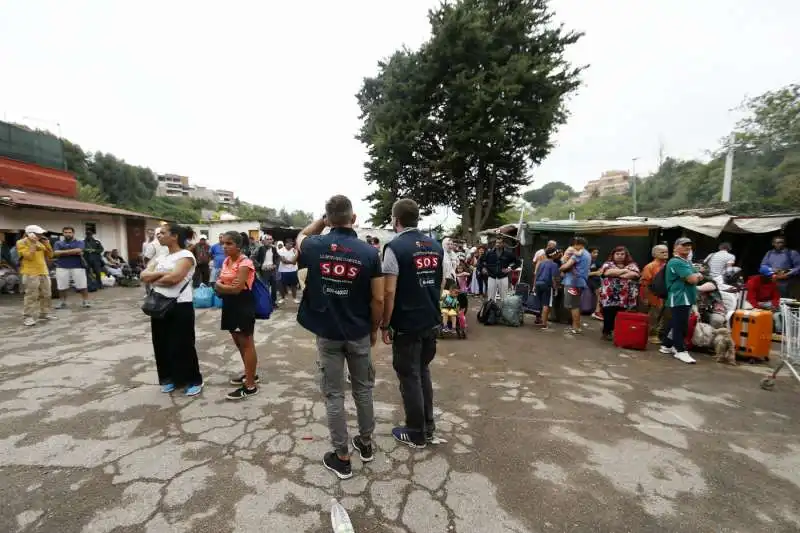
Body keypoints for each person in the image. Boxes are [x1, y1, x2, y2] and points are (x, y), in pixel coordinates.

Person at [296, 195, 383, 480]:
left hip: (328, 332)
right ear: (354, 218)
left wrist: (322, 221)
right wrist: (374, 329)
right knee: (363, 390)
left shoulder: (314, 246)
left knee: (333, 393)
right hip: (358, 331)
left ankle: (342, 456)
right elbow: (379, 298)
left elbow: (302, 235)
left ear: (328, 219)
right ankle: (366, 444)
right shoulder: (369, 253)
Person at [382, 198, 443, 449]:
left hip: (407, 323)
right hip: (430, 320)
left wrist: (385, 324)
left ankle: (416, 432)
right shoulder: (436, 246)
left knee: (409, 376)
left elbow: (389, 292)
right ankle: (427, 426)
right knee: (423, 372)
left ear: (396, 220)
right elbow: (439, 284)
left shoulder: (395, 248)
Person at [140, 223, 203, 396]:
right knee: (161, 343)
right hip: (158, 304)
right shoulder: (161, 257)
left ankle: (193, 380)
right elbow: (143, 275)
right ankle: (169, 378)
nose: (159, 236)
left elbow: (174, 278)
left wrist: (155, 278)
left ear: (174, 236)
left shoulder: (186, 255)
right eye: (158, 233)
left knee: (183, 344)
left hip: (180, 305)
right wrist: (162, 276)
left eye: (163, 233)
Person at [215, 231, 260, 400]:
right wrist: (223, 285)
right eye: (223, 243)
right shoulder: (227, 261)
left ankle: (250, 385)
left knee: (246, 342)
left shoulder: (245, 263)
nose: (224, 247)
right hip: (230, 304)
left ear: (238, 246)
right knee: (237, 341)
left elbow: (236, 288)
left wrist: (220, 286)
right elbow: (223, 282)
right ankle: (250, 374)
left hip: (242, 303)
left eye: (229, 244)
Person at [660, 237, 703, 364]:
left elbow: (698, 275)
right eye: (684, 245)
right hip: (679, 297)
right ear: (676, 247)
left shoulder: (687, 262)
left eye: (689, 245)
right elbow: (693, 279)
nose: (687, 247)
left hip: (686, 296)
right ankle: (680, 350)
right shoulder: (676, 262)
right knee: (681, 325)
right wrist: (696, 276)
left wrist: (696, 275)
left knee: (676, 322)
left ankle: (667, 345)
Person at [598, 246, 641, 340]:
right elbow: (607, 273)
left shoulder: (632, 264)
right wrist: (625, 271)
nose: (620, 256)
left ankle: (619, 333)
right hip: (609, 295)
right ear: (613, 255)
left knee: (621, 315)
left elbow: (635, 274)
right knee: (608, 315)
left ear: (626, 255)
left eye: (622, 254)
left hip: (625, 296)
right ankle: (606, 332)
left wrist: (617, 274)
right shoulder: (608, 264)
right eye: (617, 254)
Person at [16, 225, 55, 326]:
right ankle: (27, 316)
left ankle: (44, 313)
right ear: (31, 234)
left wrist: (47, 243)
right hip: (30, 272)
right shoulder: (21, 242)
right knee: (31, 295)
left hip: (43, 270)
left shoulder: (40, 242)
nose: (40, 235)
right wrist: (33, 244)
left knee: (47, 294)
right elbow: (29, 256)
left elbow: (50, 255)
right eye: (38, 234)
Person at [559, 237, 591, 335]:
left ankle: (576, 327)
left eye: (574, 245)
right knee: (575, 304)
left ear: (578, 244)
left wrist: (561, 267)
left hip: (573, 282)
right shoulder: (587, 254)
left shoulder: (578, 255)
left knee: (573, 305)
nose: (573, 247)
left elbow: (566, 266)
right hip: (580, 282)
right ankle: (576, 326)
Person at [53, 226, 90, 309]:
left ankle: (85, 301)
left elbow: (79, 250)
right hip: (62, 266)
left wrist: (62, 252)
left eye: (69, 232)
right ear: (63, 233)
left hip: (78, 266)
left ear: (73, 233)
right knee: (61, 286)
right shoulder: (58, 243)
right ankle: (62, 302)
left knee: (82, 285)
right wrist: (72, 251)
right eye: (66, 232)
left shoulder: (80, 242)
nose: (68, 234)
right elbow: (55, 253)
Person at [640, 244, 669, 344]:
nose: (665, 254)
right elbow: (645, 283)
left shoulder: (667, 265)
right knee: (653, 316)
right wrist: (646, 297)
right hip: (653, 295)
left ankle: (657, 334)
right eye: (662, 252)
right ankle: (651, 335)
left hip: (665, 296)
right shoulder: (650, 266)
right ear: (654, 254)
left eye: (666, 252)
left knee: (662, 316)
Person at [747, 266, 783, 335]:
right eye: (768, 275)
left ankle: (779, 331)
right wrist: (758, 308)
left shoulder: (772, 282)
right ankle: (777, 330)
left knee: (779, 310)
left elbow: (776, 296)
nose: (771, 276)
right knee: (773, 309)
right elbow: (751, 298)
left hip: (768, 303)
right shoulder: (753, 282)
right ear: (762, 276)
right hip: (756, 303)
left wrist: (775, 305)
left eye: (771, 275)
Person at [534, 247, 560, 330]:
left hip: (538, 284)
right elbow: (553, 278)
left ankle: (540, 320)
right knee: (546, 304)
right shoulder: (554, 265)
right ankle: (544, 323)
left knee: (540, 303)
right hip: (547, 285)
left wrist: (534, 285)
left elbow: (536, 274)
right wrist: (555, 288)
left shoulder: (541, 263)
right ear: (553, 255)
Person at [254, 234, 280, 308]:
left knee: (274, 288)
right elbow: (252, 258)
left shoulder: (274, 249)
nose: (269, 241)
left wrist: (275, 265)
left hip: (272, 270)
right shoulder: (260, 249)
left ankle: (273, 302)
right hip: (264, 271)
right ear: (263, 241)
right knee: (265, 287)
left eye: (271, 239)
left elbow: (278, 258)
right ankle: (266, 303)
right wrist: (260, 266)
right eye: (267, 239)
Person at [278, 238, 300, 304]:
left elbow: (296, 260)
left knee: (294, 285)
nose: (291, 245)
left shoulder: (294, 250)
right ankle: (282, 298)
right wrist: (292, 261)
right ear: (286, 244)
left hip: (293, 270)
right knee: (282, 285)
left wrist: (293, 261)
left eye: (292, 244)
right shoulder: (281, 250)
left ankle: (295, 298)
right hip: (283, 270)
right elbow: (284, 261)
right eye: (289, 244)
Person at [587, 247, 603, 320]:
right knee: (599, 293)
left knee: (600, 294)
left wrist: (599, 272)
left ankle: (597, 311)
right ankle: (597, 311)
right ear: (589, 253)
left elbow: (601, 271)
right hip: (587, 281)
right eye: (594, 252)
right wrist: (595, 273)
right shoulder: (586, 262)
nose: (596, 254)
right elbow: (585, 274)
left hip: (596, 281)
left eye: (597, 253)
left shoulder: (597, 262)